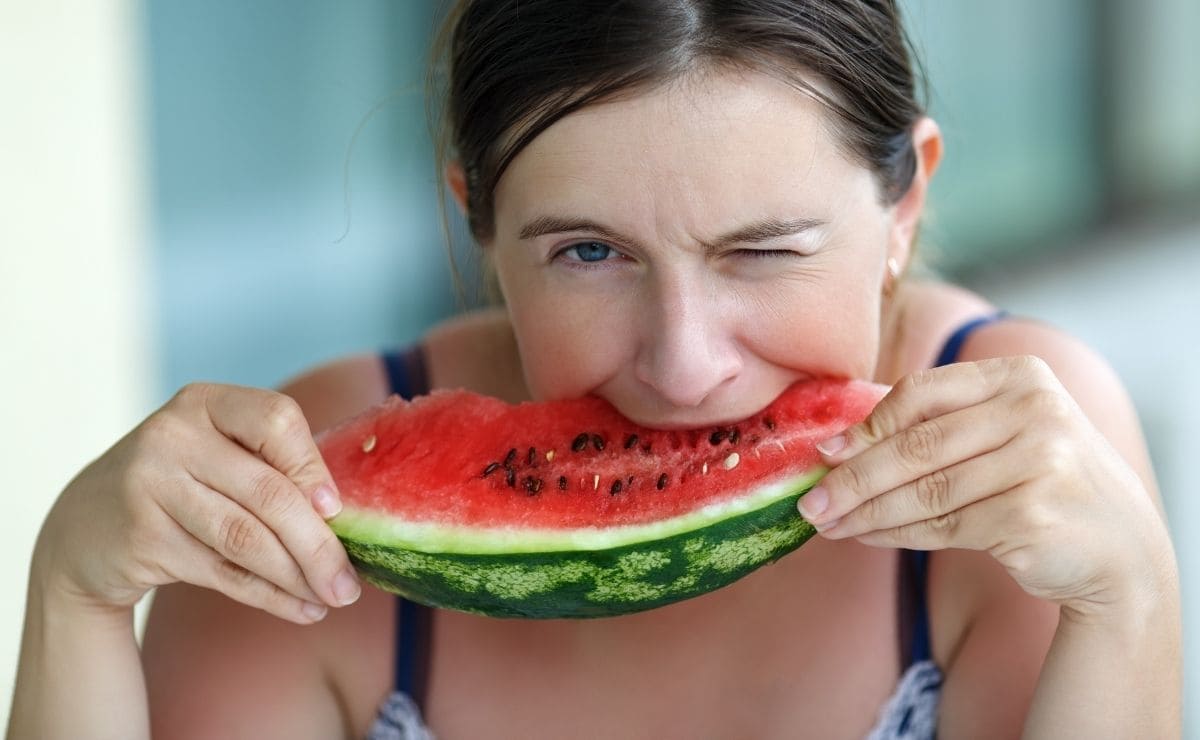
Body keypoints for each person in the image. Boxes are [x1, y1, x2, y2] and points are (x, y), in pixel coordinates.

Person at [9, 1, 1181, 738]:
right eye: (588, 252)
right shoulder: (307, 484)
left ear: (903, 205)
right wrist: (73, 593)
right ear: (475, 220)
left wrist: (1128, 600)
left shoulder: (1025, 456)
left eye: (762, 252)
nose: (683, 363)